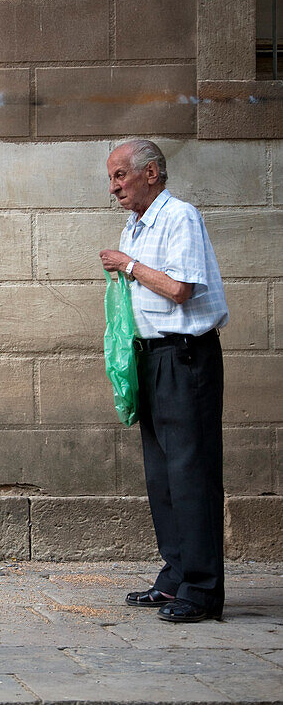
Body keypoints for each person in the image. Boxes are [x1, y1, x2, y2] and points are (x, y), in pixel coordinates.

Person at [99, 139, 229, 624]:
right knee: (162, 475)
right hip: (151, 358)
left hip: (186, 356)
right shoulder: (135, 224)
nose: (113, 187)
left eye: (119, 176)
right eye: (112, 178)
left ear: (150, 172)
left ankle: (202, 588)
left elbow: (180, 288)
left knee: (191, 473)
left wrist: (128, 266)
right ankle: (176, 575)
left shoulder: (180, 217)